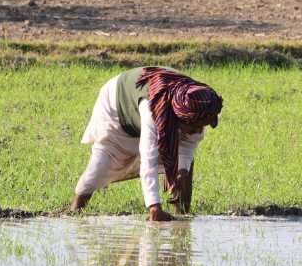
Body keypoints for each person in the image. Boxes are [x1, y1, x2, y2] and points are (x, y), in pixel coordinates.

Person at [71, 66, 223, 221]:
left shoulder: (198, 104)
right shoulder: (153, 110)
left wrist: (181, 171)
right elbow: (148, 159)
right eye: (195, 126)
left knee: (183, 170)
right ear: (179, 119)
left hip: (160, 107)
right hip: (116, 104)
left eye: (203, 125)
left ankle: (183, 213)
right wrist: (154, 208)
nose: (198, 130)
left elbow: (187, 149)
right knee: (103, 161)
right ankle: (75, 212)